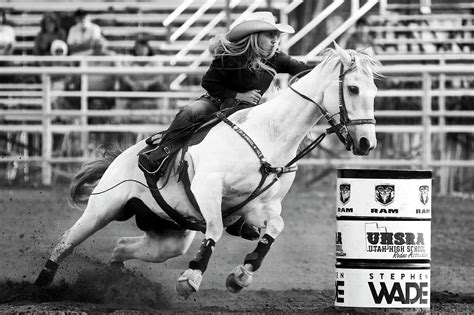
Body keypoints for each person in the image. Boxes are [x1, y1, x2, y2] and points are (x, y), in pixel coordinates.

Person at [138, 11, 312, 175]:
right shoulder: (231, 56)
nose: (275, 40)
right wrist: (237, 95)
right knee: (189, 112)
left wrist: (330, 67)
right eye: (269, 35)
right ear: (255, 37)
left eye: (276, 36)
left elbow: (301, 69)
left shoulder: (277, 58)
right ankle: (161, 154)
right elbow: (208, 83)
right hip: (215, 102)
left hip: (247, 111)